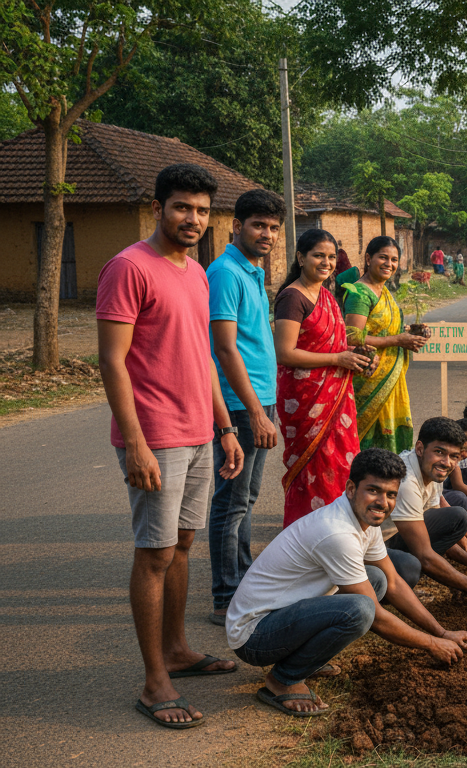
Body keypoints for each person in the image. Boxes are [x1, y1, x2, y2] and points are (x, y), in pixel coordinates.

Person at [97, 163, 245, 728]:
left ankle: (179, 649)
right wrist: (133, 442)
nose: (193, 219)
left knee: (183, 544)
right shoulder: (129, 267)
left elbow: (204, 357)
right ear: (158, 208)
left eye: (203, 211)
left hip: (200, 431)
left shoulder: (198, 273)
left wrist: (225, 427)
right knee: (155, 553)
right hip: (154, 434)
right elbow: (112, 361)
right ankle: (154, 679)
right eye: (182, 207)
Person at [225, 449, 467, 717]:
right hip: (254, 635)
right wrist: (431, 644)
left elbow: (393, 582)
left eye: (391, 494)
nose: (383, 502)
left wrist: (441, 632)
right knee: (360, 609)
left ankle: (304, 659)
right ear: (350, 488)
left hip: (283, 615)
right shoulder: (337, 532)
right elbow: (376, 617)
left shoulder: (364, 521)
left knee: (377, 579)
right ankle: (283, 679)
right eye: (374, 491)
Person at [204, 189, 283, 626]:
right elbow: (225, 348)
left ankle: (243, 581)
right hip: (238, 404)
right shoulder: (225, 272)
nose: (266, 234)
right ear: (237, 225)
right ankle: (225, 594)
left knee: (247, 498)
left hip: (260, 401)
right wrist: (253, 412)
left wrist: (266, 407)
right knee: (231, 500)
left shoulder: (253, 270)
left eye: (273, 227)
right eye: (258, 225)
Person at [273, 228, 369, 528]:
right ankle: (306, 537)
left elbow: (337, 344)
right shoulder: (292, 297)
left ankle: (337, 533)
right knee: (312, 470)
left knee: (341, 465)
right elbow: (285, 353)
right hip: (305, 399)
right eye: (318, 255)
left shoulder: (327, 295)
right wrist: (338, 359)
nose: (326, 262)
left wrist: (357, 357)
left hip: (336, 396)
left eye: (331, 257)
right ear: (301, 258)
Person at [388, 418, 467, 606]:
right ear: (420, 448)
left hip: (396, 535)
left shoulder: (432, 473)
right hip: (371, 548)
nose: (447, 463)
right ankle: (385, 592)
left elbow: (433, 535)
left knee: (456, 518)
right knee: (410, 567)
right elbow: (424, 554)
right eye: (439, 452)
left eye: (454, 456)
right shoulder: (407, 482)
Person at [343, 236, 428, 452]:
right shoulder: (360, 293)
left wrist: (410, 331)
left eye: (394, 259)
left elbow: (384, 329)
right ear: (369, 258)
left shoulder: (384, 291)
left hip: (391, 383)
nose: (389, 264)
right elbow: (352, 336)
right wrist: (397, 340)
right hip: (367, 380)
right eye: (383, 257)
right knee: (366, 450)